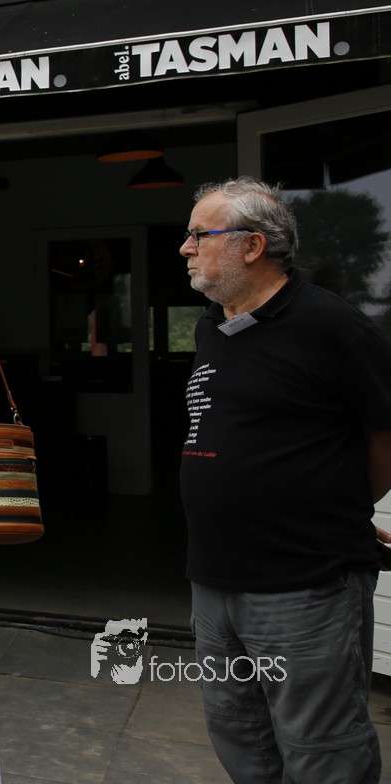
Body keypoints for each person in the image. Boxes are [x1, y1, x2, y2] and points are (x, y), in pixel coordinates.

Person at [179, 177, 391, 784]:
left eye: (199, 235)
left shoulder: (331, 325)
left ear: (251, 246)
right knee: (237, 729)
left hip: (305, 582)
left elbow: (385, 436)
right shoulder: (211, 326)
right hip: (213, 579)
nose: (186, 248)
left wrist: (340, 506)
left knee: (321, 746)